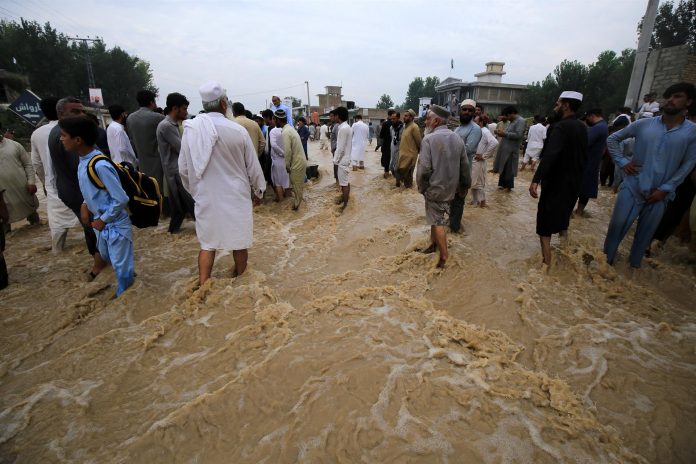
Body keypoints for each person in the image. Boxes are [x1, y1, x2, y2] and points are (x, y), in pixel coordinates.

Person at [179, 81, 266, 284]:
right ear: (224, 104)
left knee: (208, 244)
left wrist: (195, 191)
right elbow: (253, 167)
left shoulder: (191, 130)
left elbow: (183, 168)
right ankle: (242, 284)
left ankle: (203, 286)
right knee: (239, 242)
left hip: (206, 196)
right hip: (236, 196)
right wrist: (259, 191)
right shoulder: (237, 131)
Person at [604, 82, 696, 268]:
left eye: (677, 96)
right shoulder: (643, 124)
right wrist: (622, 163)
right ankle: (605, 266)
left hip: (660, 194)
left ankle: (632, 275)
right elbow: (613, 139)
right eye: (668, 96)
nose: (670, 100)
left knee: (644, 238)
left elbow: (688, 164)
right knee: (616, 227)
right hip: (633, 185)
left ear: (689, 102)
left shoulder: (692, 132)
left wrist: (666, 188)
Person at [60, 116, 135, 296]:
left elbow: (121, 198)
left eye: (64, 135)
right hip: (101, 224)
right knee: (110, 258)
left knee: (121, 268)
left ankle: (124, 299)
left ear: (78, 140)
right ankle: (128, 282)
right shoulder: (83, 161)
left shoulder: (100, 165)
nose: (61, 139)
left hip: (114, 224)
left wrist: (104, 218)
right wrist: (85, 205)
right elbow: (95, 190)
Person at [49, 97, 107, 278]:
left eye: (82, 110)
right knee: (95, 227)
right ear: (60, 114)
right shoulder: (70, 136)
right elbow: (88, 170)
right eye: (75, 111)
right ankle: (99, 267)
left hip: (72, 190)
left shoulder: (60, 132)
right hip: (80, 192)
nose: (82, 114)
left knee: (92, 226)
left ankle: (101, 264)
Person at [529, 91, 587, 265]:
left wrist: (536, 179)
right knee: (563, 219)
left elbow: (550, 156)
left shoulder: (560, 127)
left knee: (544, 225)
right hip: (574, 183)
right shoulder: (582, 127)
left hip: (556, 183)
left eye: (557, 104)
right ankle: (566, 254)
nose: (555, 107)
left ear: (566, 105)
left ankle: (547, 263)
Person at [416, 106, 470, 268]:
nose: (426, 122)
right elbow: (465, 166)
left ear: (436, 121)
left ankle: (444, 258)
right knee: (435, 219)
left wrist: (421, 187)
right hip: (451, 188)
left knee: (438, 221)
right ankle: (433, 245)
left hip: (434, 188)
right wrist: (465, 185)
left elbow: (423, 169)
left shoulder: (428, 139)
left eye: (428, 119)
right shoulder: (457, 138)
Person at [31, 97, 79, 251]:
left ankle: (57, 252)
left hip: (54, 187)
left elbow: (36, 163)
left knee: (58, 228)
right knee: (91, 226)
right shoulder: (73, 130)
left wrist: (46, 183)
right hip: (77, 185)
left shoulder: (37, 134)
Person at [157, 92, 196, 234]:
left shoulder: (170, 125)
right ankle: (210, 232)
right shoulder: (166, 126)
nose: (186, 112)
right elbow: (182, 149)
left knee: (179, 208)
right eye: (184, 109)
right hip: (176, 171)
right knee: (192, 204)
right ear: (175, 108)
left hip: (174, 170)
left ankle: (172, 234)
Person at [0, 122, 39, 230]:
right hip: (2, 196)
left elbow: (28, 164)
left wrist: (31, 182)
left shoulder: (14, 145)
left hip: (23, 189)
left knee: (34, 219)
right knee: (4, 221)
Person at [450, 99, 482, 232]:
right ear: (460, 111)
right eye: (464, 109)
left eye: (470, 110)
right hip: (451, 172)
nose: (467, 112)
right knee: (451, 203)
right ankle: (451, 227)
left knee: (457, 203)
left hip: (462, 173)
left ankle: (454, 231)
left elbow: (467, 149)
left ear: (474, 113)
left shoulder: (475, 129)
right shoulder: (458, 128)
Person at [126, 90, 165, 189]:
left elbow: (131, 140)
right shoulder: (159, 118)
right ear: (152, 102)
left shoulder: (130, 118)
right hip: (159, 165)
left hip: (142, 164)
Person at [574, 108, 608, 216]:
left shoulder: (597, 128)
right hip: (593, 163)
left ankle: (575, 213)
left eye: (587, 118)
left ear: (592, 116)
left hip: (586, 164)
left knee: (578, 188)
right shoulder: (604, 126)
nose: (587, 120)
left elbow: (583, 144)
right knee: (586, 189)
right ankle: (579, 212)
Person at [276, 109, 307, 210]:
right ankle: (299, 211)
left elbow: (287, 152)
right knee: (298, 189)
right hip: (300, 161)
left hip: (297, 163)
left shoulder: (285, 132)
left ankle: (297, 214)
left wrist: (287, 166)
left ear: (278, 120)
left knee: (297, 191)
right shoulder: (290, 129)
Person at [493, 106, 525, 191]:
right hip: (505, 148)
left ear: (512, 113)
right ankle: (502, 187)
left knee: (509, 169)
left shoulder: (521, 121)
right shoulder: (513, 121)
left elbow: (518, 135)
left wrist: (504, 134)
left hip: (511, 150)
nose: (506, 118)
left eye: (507, 116)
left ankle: (508, 188)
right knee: (503, 167)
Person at [471, 115, 498, 207]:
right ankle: (475, 202)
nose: (474, 123)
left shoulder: (485, 131)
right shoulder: (478, 131)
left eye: (475, 121)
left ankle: (482, 202)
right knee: (473, 182)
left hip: (479, 160)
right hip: (474, 159)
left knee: (478, 183)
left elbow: (494, 143)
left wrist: (484, 156)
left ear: (481, 122)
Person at [397, 109, 422, 188]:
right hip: (403, 156)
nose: (404, 117)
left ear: (411, 117)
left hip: (410, 157)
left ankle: (408, 192)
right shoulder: (406, 127)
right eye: (404, 115)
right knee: (399, 175)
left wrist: (417, 154)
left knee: (408, 179)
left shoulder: (414, 127)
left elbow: (419, 142)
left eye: (406, 116)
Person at [333, 106, 352, 209]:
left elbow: (340, 148)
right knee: (345, 182)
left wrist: (335, 161)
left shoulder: (343, 129)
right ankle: (346, 202)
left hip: (342, 160)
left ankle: (345, 206)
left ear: (338, 116)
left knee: (344, 184)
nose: (333, 118)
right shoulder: (346, 127)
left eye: (334, 115)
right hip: (346, 159)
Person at [267, 113, 289, 201]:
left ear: (276, 120)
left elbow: (274, 145)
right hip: (287, 160)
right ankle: (288, 203)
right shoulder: (288, 129)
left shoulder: (273, 131)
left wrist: (282, 153)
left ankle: (282, 205)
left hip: (277, 161)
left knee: (278, 183)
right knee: (287, 183)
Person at [389, 111, 403, 181]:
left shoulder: (403, 128)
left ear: (398, 118)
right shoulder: (391, 128)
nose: (392, 120)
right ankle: (398, 179)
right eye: (391, 119)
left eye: (394, 119)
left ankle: (398, 183)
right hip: (393, 149)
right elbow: (392, 138)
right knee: (391, 167)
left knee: (396, 168)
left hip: (400, 150)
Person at [380, 112, 394, 178]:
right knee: (394, 160)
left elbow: (381, 135)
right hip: (394, 145)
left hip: (386, 145)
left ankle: (386, 174)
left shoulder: (385, 124)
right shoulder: (398, 123)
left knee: (386, 160)